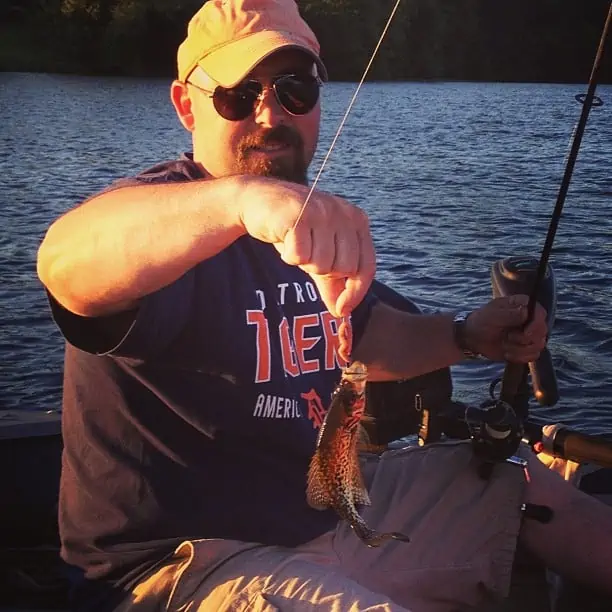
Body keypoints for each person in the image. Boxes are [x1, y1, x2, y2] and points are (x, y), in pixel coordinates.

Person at [36, 0, 612, 610]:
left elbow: (364, 340)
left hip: (321, 510)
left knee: (518, 480)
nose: (270, 113)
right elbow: (67, 262)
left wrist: (469, 334)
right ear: (186, 104)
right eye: (238, 94)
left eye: (295, 89)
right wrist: (241, 201)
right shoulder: (160, 220)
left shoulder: (304, 228)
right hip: (183, 564)